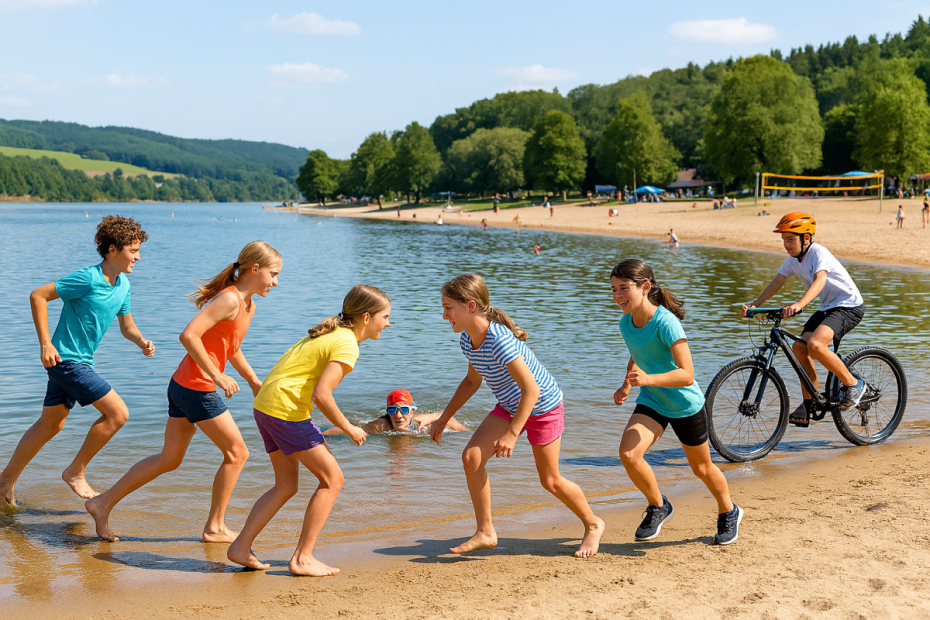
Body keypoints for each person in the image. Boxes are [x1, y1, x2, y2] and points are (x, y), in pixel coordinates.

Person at [85, 241, 281, 542]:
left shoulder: (248, 304)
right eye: (274, 274)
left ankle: (101, 503)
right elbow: (188, 335)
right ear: (254, 270)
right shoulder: (229, 300)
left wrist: (254, 381)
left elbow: (232, 346)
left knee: (169, 458)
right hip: (196, 388)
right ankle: (214, 527)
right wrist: (217, 375)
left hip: (182, 385)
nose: (276, 282)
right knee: (237, 453)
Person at [431, 274, 605, 558]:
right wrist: (442, 418)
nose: (444, 315)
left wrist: (512, 433)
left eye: (449, 307)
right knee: (471, 457)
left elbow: (531, 390)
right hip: (511, 405)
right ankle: (485, 532)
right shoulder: (467, 340)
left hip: (543, 406)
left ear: (470, 306)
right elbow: (471, 382)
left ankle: (593, 523)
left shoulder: (499, 340)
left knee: (550, 480)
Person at [226, 285, 390, 576]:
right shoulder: (347, 343)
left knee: (286, 485)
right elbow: (322, 395)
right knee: (333, 480)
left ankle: (241, 546)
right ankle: (303, 558)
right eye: (385, 316)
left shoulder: (331, 333)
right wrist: (348, 427)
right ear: (367, 317)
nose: (387, 323)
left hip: (266, 407)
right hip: (286, 412)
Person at [0, 216, 152, 505]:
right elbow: (38, 295)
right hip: (66, 360)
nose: (138, 257)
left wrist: (141, 341)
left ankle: (5, 481)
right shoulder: (87, 278)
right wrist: (45, 344)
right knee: (117, 414)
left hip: (80, 362)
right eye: (133, 251)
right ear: (112, 250)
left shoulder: (123, 286)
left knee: (51, 424)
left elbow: (126, 326)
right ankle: (76, 471)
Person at [610, 258, 742, 545]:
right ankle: (659, 506)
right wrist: (626, 384)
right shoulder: (626, 322)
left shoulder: (666, 323)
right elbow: (638, 351)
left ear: (645, 287)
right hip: (653, 401)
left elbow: (686, 375)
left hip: (685, 405)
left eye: (624, 288)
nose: (618, 295)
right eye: (613, 289)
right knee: (629, 455)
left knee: (702, 469)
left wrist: (647, 380)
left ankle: (729, 511)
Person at [741, 212, 866, 426]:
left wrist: (799, 304)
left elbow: (820, 281)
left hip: (848, 305)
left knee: (816, 345)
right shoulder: (793, 260)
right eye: (783, 239)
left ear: (806, 238)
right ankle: (811, 402)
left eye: (790, 239)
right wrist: (755, 304)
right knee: (799, 348)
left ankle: (854, 385)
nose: (786, 244)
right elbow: (777, 282)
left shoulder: (818, 253)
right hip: (828, 307)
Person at [323, 388, 468, 436]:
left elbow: (455, 423)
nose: (398, 415)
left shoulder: (423, 424)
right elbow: (349, 430)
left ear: (412, 412)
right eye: (392, 410)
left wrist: (435, 417)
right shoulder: (383, 425)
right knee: (361, 423)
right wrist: (321, 436)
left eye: (404, 410)